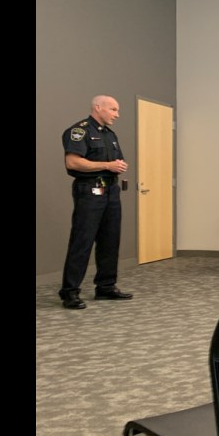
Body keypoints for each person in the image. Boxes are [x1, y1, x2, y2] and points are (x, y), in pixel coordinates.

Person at [59, 95, 133, 309]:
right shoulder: (79, 131)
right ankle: (70, 292)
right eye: (113, 109)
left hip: (110, 190)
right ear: (98, 107)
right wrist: (108, 166)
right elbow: (73, 162)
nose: (117, 115)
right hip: (89, 191)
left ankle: (106, 287)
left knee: (110, 240)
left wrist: (115, 166)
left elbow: (113, 162)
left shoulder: (109, 134)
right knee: (82, 241)